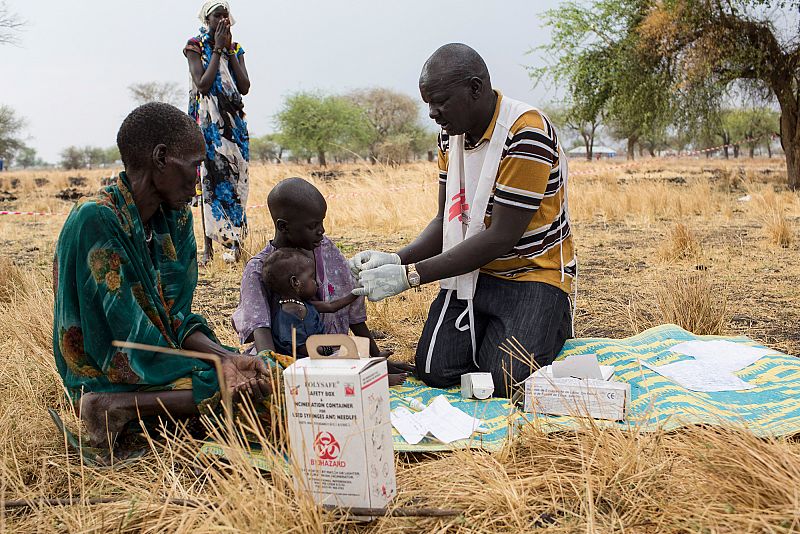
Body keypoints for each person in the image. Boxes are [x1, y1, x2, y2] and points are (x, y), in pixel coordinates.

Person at [350, 43, 576, 397]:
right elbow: (446, 221)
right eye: (428, 102)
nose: (431, 113)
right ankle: (503, 334)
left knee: (505, 381)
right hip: (475, 274)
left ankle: (551, 321)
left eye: (439, 101)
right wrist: (396, 258)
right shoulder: (449, 135)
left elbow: (501, 236)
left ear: (475, 88)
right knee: (434, 370)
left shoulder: (525, 131)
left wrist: (411, 276)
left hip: (530, 274)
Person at [52, 102, 272, 449]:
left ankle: (145, 409)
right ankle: (110, 407)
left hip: (161, 359)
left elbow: (175, 319)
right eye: (195, 165)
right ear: (161, 157)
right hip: (110, 372)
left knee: (268, 372)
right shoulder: (95, 220)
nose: (199, 179)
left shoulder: (175, 219)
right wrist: (213, 373)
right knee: (239, 394)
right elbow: (123, 344)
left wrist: (225, 358)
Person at [232, 178, 411, 381]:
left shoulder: (325, 249)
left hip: (330, 355)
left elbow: (353, 314)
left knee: (353, 366)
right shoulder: (258, 269)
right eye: (313, 225)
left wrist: (376, 358)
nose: (322, 231)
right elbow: (261, 333)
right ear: (283, 226)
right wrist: (277, 380)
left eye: (322, 222)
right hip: (289, 363)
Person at [185, 1, 250, 264]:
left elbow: (244, 86)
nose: (223, 20)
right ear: (206, 20)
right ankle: (208, 249)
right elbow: (202, 84)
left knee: (237, 179)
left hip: (234, 124)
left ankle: (236, 244)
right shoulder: (195, 46)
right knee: (209, 182)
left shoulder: (236, 49)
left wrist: (229, 51)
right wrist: (217, 51)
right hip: (208, 125)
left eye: (226, 15)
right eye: (217, 16)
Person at [261, 247, 358, 356]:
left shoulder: (304, 305)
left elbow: (331, 306)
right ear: (295, 282)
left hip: (316, 357)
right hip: (301, 366)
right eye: (311, 277)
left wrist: (356, 293)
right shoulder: (285, 317)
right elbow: (303, 349)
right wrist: (332, 350)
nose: (316, 282)